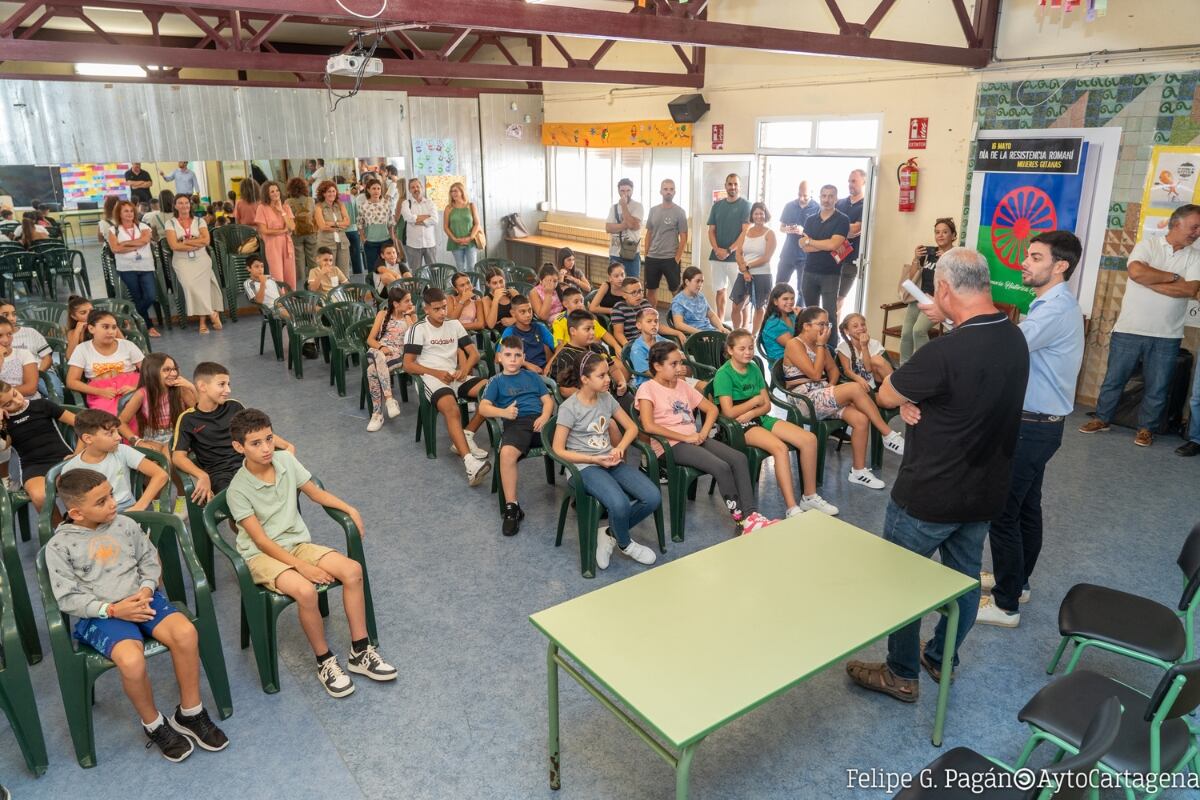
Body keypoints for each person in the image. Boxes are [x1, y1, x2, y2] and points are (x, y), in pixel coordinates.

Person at [844, 247, 1029, 703]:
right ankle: (942, 656)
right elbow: (968, 386)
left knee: (902, 583)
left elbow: (887, 394)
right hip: (984, 489)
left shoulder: (941, 353)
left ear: (943, 289)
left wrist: (913, 397)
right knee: (962, 580)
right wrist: (924, 394)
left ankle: (901, 672)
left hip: (930, 493)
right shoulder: (1013, 336)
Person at [45, 468, 229, 761]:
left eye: (110, 495)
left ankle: (190, 713)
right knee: (131, 661)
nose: (113, 503)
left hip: (143, 600)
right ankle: (154, 724)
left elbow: (148, 560)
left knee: (186, 633)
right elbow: (67, 598)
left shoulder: (125, 524)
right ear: (77, 513)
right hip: (103, 615)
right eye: (102, 501)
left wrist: (146, 589)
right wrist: (114, 609)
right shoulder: (58, 546)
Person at [226, 408, 396, 697]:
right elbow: (262, 541)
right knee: (305, 591)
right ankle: (325, 661)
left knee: (352, 571)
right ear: (238, 447)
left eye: (269, 439)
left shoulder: (285, 461)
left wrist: (349, 508)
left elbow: (316, 493)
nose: (266, 448)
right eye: (256, 443)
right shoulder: (237, 489)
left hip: (297, 544)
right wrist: (301, 568)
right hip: (261, 556)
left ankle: (360, 650)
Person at [976, 232, 1085, 628]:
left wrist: (966, 316)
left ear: (1061, 266)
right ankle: (1017, 582)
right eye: (1027, 254)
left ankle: (1005, 605)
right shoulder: (1050, 304)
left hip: (1031, 427)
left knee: (1003, 512)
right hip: (1040, 425)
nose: (1024, 262)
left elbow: (1008, 346)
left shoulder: (1054, 311)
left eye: (1035, 257)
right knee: (1025, 509)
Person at [1080, 204, 1200, 446]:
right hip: (1129, 329)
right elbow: (1136, 272)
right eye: (1194, 226)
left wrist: (1151, 280)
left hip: (1168, 334)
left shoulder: (1195, 256)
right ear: (1177, 223)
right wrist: (1174, 278)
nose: (1197, 232)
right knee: (1114, 379)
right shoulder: (1148, 245)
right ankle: (1102, 418)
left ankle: (1147, 429)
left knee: (1158, 386)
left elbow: (1191, 289)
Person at [636, 341, 776, 535]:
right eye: (674, 364)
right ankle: (741, 520)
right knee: (721, 467)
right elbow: (649, 425)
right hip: (670, 445)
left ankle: (751, 516)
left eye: (680, 363)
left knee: (739, 458)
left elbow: (711, 409)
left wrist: (703, 433)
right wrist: (685, 437)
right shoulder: (647, 389)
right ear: (658, 366)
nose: (680, 369)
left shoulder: (682, 386)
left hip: (694, 438)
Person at [713, 330, 838, 518]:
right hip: (739, 426)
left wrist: (754, 409)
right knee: (779, 448)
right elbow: (729, 412)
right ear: (730, 350)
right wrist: (754, 403)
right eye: (742, 349)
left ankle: (809, 496)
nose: (748, 352)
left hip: (758, 417)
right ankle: (791, 507)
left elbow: (766, 405)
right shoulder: (724, 374)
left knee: (809, 439)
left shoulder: (754, 367)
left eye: (750, 347)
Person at [555, 352, 662, 567]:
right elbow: (558, 449)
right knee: (619, 504)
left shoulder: (606, 398)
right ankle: (626, 544)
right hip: (583, 467)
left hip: (609, 460)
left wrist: (619, 449)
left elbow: (632, 427)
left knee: (652, 497)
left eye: (607, 374)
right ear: (584, 379)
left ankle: (609, 532)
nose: (608, 379)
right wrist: (594, 460)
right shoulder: (569, 408)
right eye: (602, 375)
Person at [782, 306, 903, 489]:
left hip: (821, 395)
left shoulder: (819, 345)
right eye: (821, 324)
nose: (826, 329)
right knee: (854, 388)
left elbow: (832, 370)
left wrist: (830, 386)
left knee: (861, 419)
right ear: (806, 326)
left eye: (827, 324)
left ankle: (858, 471)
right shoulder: (794, 344)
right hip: (803, 400)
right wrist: (822, 346)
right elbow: (815, 375)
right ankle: (888, 434)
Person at [403, 287, 491, 486]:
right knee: (452, 409)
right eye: (437, 309)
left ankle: (467, 434)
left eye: (444, 307)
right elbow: (408, 364)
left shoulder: (454, 324)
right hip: (430, 378)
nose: (442, 313)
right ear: (426, 309)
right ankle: (470, 464)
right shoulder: (418, 330)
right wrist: (436, 373)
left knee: (491, 389)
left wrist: (463, 369)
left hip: (454, 376)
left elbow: (474, 354)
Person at [172, 361, 294, 504]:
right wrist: (202, 475)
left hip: (249, 464)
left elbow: (257, 432)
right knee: (240, 505)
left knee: (285, 489)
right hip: (220, 475)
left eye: (228, 384)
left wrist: (287, 446)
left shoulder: (234, 406)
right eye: (222, 384)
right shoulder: (188, 419)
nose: (228, 390)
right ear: (202, 386)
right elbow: (178, 457)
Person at [479, 337, 554, 537]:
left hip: (540, 421)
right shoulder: (496, 381)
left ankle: (580, 488)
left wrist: (545, 416)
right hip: (517, 422)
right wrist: (504, 413)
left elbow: (547, 401)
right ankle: (512, 507)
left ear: (524, 357)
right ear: (499, 358)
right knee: (506, 454)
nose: (513, 359)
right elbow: (483, 407)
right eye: (508, 355)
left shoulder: (532, 376)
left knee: (571, 439)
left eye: (517, 355)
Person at [62, 409, 168, 513]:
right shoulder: (71, 468)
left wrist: (140, 506)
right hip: (94, 516)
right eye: (110, 433)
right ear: (88, 439)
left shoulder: (122, 450)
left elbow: (160, 474)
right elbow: (75, 504)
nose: (118, 437)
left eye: (117, 431)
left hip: (126, 508)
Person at [0, 380, 75, 512]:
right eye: (8, 404)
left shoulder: (42, 404)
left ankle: (81, 524)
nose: (17, 401)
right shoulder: (5, 423)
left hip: (63, 458)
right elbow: (3, 446)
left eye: (15, 394)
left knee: (72, 486)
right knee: (40, 497)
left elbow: (82, 424)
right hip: (33, 466)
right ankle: (61, 530)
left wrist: (78, 453)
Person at [118, 352, 195, 469]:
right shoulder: (142, 394)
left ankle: (180, 487)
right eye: (167, 370)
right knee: (153, 465)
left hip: (178, 434)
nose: (173, 373)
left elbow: (200, 412)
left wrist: (191, 387)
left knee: (168, 459)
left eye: (175, 369)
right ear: (152, 372)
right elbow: (120, 422)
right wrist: (137, 441)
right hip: (152, 437)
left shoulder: (181, 389)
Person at [549, 310, 632, 411]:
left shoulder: (599, 348)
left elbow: (613, 369)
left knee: (636, 408)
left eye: (593, 328)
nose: (592, 332)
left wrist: (621, 381)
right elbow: (564, 390)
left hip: (611, 396)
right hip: (587, 405)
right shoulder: (565, 356)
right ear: (573, 331)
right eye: (587, 329)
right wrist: (593, 398)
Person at [799, 185, 850, 345]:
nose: (827, 200)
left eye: (830, 196)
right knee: (811, 313)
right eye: (824, 196)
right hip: (809, 272)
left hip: (830, 274)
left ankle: (831, 348)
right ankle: (812, 345)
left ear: (836, 198)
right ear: (819, 197)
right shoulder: (810, 219)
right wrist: (822, 243)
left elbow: (833, 245)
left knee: (829, 314)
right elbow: (804, 247)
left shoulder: (842, 220)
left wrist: (811, 241)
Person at [66, 310, 143, 415]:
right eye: (105, 327)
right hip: (100, 393)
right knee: (109, 417)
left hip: (132, 388)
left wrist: (135, 388)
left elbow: (149, 371)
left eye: (114, 327)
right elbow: (72, 381)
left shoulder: (127, 345)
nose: (111, 332)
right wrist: (100, 392)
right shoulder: (82, 349)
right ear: (91, 328)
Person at [900, 218, 956, 364]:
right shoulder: (930, 253)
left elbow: (956, 282)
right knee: (906, 333)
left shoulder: (956, 255)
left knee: (918, 331)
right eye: (937, 232)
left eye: (945, 232)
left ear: (953, 235)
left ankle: (923, 367)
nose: (940, 235)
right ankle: (903, 368)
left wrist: (945, 261)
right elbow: (912, 277)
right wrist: (916, 258)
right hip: (919, 297)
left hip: (937, 302)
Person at [166, 194, 224, 333]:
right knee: (190, 285)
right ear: (175, 206)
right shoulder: (171, 223)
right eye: (180, 203)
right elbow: (174, 245)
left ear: (190, 205)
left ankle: (203, 323)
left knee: (203, 287)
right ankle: (211, 313)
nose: (184, 205)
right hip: (181, 260)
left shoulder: (199, 221)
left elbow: (206, 241)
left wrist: (185, 242)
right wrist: (195, 242)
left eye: (186, 203)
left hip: (201, 258)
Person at [365, 285, 417, 432]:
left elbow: (414, 340)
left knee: (371, 371)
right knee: (379, 356)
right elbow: (370, 339)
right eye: (407, 301)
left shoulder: (410, 318)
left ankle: (377, 414)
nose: (410, 304)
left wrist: (408, 315)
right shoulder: (382, 314)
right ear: (395, 304)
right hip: (378, 351)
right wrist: (381, 348)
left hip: (397, 356)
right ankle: (389, 399)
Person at [107, 200, 161, 337]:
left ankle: (130, 318)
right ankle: (148, 327)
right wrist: (137, 245)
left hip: (145, 266)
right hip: (126, 268)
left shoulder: (143, 226)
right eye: (126, 211)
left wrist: (125, 244)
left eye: (131, 211)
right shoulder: (113, 230)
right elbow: (115, 249)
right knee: (137, 297)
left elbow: (144, 240)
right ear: (119, 213)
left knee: (150, 295)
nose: (130, 213)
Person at [706, 173, 751, 323]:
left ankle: (744, 328)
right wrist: (717, 249)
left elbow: (745, 232)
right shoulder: (717, 206)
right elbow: (711, 230)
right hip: (717, 257)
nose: (732, 187)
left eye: (735, 184)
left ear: (740, 186)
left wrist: (729, 250)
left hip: (736, 258)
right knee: (720, 291)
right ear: (725, 186)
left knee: (740, 295)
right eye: (730, 184)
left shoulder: (746, 205)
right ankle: (720, 325)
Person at [730, 202, 777, 334]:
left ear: (765, 215)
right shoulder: (746, 232)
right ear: (752, 215)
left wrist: (748, 266)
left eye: (761, 213)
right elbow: (738, 253)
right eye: (756, 213)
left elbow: (766, 257)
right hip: (743, 273)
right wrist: (744, 270)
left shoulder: (770, 234)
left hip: (762, 274)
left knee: (759, 307)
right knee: (736, 306)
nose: (758, 216)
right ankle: (737, 333)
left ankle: (753, 335)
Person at [643, 178, 689, 308]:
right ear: (660, 192)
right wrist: (646, 253)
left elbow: (684, 237)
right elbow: (649, 233)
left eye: (671, 189)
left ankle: (680, 319)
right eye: (665, 189)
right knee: (651, 290)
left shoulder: (680, 212)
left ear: (675, 192)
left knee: (676, 291)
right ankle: (653, 319)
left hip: (670, 259)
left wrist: (677, 258)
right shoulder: (653, 210)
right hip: (653, 257)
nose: (668, 192)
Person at [834, 168, 867, 317]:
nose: (850, 184)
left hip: (852, 260)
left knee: (839, 299)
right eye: (849, 181)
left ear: (863, 181)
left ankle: (833, 334)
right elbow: (829, 226)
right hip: (834, 257)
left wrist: (836, 231)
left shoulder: (865, 205)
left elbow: (856, 229)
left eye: (853, 181)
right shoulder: (840, 203)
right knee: (830, 298)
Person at [777, 181, 819, 289]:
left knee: (803, 289)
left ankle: (801, 306)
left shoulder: (817, 208)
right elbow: (781, 228)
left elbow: (819, 234)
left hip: (805, 256)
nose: (801, 198)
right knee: (779, 286)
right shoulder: (789, 206)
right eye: (799, 195)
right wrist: (787, 229)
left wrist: (803, 231)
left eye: (804, 195)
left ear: (811, 193)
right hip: (788, 253)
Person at [551, 286, 619, 351]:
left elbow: (604, 334)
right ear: (566, 304)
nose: (580, 305)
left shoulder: (587, 317)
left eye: (582, 301)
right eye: (576, 302)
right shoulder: (559, 321)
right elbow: (559, 345)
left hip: (593, 351)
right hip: (574, 355)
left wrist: (616, 346)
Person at [500, 295, 554, 374]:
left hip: (543, 370)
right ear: (513, 313)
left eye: (530, 310)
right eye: (523, 312)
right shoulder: (509, 332)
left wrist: (549, 365)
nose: (528, 315)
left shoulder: (540, 327)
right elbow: (498, 357)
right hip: (521, 372)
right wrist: (525, 364)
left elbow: (559, 347)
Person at [836, 313, 892, 390]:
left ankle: (896, 390)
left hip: (877, 381)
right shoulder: (843, 347)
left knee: (877, 359)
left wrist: (864, 346)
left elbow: (868, 369)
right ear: (846, 331)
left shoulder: (875, 344)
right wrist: (859, 379)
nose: (861, 328)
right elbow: (847, 371)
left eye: (863, 325)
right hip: (857, 384)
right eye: (855, 326)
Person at [669, 267, 726, 338]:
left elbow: (711, 315)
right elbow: (678, 324)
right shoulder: (678, 301)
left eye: (702, 281)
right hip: (695, 336)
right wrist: (699, 333)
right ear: (687, 282)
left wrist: (721, 327)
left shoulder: (700, 296)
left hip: (708, 332)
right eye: (697, 281)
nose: (700, 284)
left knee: (734, 338)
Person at [604, 177, 644, 278]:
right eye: (622, 190)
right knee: (616, 285)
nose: (625, 193)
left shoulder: (638, 206)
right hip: (615, 253)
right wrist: (626, 224)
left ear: (632, 190)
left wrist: (624, 206)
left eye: (628, 190)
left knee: (632, 283)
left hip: (631, 253)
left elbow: (632, 225)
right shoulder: (613, 207)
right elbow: (608, 228)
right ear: (618, 191)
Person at [357, 179, 396, 277]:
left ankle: (387, 289)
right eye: (373, 188)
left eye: (378, 188)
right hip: (370, 242)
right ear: (368, 190)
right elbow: (360, 224)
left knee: (388, 267)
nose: (376, 191)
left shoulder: (386, 204)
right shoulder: (363, 206)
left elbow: (391, 222)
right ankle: (373, 291)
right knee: (373, 269)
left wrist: (392, 237)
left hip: (386, 241)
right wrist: (363, 238)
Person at [313, 181, 352, 276]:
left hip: (342, 243)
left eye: (333, 191)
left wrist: (331, 224)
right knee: (328, 273)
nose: (332, 194)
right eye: (329, 191)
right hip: (326, 244)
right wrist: (340, 225)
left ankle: (343, 291)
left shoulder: (340, 204)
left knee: (343, 273)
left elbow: (347, 222)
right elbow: (322, 226)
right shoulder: (318, 207)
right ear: (323, 193)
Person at [400, 178, 438, 270]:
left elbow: (435, 219)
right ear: (409, 190)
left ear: (422, 187)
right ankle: (419, 285)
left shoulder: (430, 203)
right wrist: (426, 217)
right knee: (416, 272)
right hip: (413, 244)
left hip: (430, 243)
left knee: (434, 271)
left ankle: (434, 285)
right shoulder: (406, 203)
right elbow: (408, 218)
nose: (415, 189)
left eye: (417, 186)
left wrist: (415, 219)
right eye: (412, 187)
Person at [283, 178, 314, 289]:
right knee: (313, 260)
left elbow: (286, 219)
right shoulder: (311, 200)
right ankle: (313, 286)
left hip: (296, 234)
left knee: (299, 262)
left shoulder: (288, 202)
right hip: (311, 233)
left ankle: (301, 288)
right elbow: (314, 216)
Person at [443, 182, 481, 270]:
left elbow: (477, 224)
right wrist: (455, 239)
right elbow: (445, 227)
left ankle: (474, 284)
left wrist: (470, 237)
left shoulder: (471, 206)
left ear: (462, 192)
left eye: (456, 191)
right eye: (451, 192)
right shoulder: (448, 208)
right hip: (455, 243)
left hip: (471, 242)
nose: (453, 194)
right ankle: (461, 284)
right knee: (460, 268)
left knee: (472, 267)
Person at [761, 283, 798, 363]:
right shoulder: (774, 324)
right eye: (785, 299)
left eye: (792, 298)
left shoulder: (792, 316)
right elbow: (795, 348)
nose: (790, 302)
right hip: (783, 364)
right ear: (775, 301)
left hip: (795, 358)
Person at [483, 268, 518, 332]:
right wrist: (496, 299)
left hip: (517, 328)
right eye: (494, 283)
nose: (499, 286)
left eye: (501, 281)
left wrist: (515, 319)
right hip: (499, 334)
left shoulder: (513, 292)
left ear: (505, 280)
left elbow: (526, 310)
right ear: (488, 284)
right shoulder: (486, 300)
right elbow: (490, 325)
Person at [65, 295, 95, 360]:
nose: (89, 314)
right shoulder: (72, 332)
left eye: (91, 310)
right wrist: (77, 331)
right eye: (83, 313)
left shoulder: (102, 326)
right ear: (74, 317)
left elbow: (122, 345)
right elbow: (70, 357)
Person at [344, 181, 364, 276]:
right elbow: (357, 214)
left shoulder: (338, 199)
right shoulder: (352, 198)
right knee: (356, 256)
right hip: (354, 230)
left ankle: (345, 278)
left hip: (343, 231)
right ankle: (359, 277)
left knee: (343, 258)